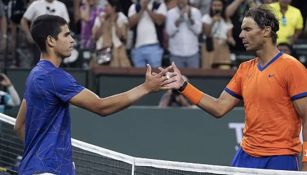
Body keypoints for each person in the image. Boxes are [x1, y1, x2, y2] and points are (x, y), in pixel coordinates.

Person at [14, 14, 175, 174]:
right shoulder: (55, 77)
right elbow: (101, 106)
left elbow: (19, 125)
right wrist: (146, 88)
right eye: (66, 35)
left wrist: (39, 157)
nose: (72, 40)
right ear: (51, 40)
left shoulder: (34, 75)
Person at [166, 5, 307, 170]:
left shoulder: (292, 67)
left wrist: (306, 161)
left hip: (280, 159)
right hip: (245, 156)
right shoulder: (244, 69)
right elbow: (219, 108)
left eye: (247, 29)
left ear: (266, 31)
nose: (241, 35)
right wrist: (183, 86)